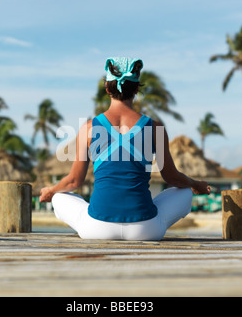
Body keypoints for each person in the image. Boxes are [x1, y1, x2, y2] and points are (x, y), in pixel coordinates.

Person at [39, 57, 210, 240]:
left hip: (96, 228)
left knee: (59, 197)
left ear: (106, 87)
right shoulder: (155, 128)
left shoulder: (89, 128)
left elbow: (74, 181)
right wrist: (194, 184)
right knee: (184, 191)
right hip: (145, 229)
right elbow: (171, 177)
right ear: (137, 88)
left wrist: (51, 191)